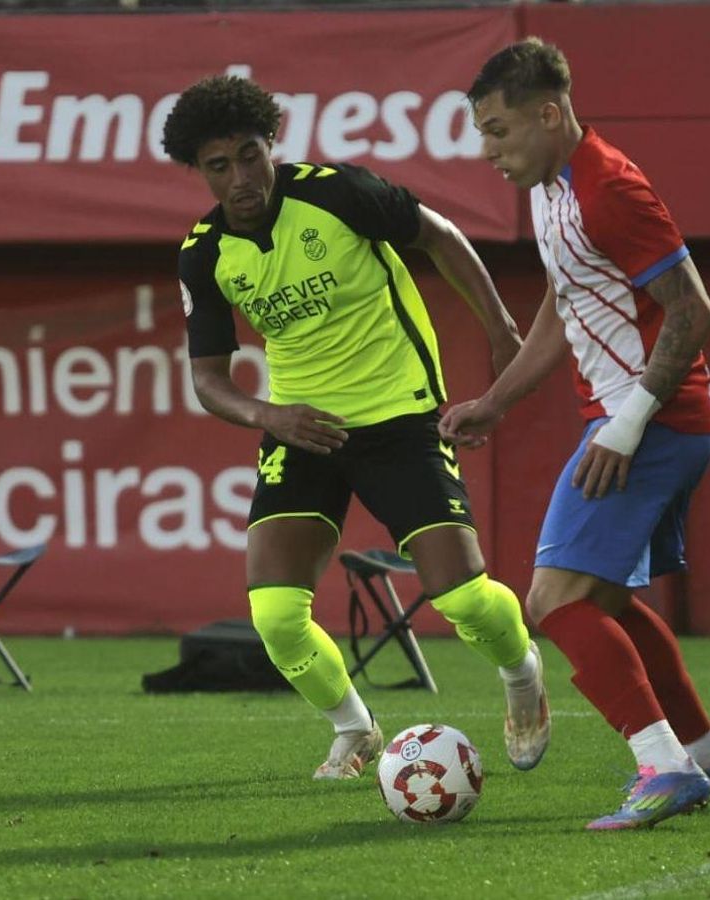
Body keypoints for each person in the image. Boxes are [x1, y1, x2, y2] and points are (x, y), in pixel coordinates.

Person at [162, 75, 550, 781]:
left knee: (462, 597)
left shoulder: (337, 193)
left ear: (270, 144)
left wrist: (500, 331)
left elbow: (440, 236)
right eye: (220, 167)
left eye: (251, 155)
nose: (242, 177)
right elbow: (209, 380)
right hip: (304, 429)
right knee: (277, 618)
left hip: (398, 413)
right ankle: (355, 728)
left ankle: (523, 674)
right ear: (200, 173)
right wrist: (270, 415)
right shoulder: (204, 253)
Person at [442, 38, 710, 830]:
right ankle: (705, 752)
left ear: (549, 115)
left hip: (650, 423)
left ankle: (664, 767)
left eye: (499, 130)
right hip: (645, 422)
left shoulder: (608, 187)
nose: (489, 150)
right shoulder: (554, 190)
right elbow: (566, 302)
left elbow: (695, 312)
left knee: (552, 601)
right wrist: (498, 400)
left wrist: (626, 426)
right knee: (602, 598)